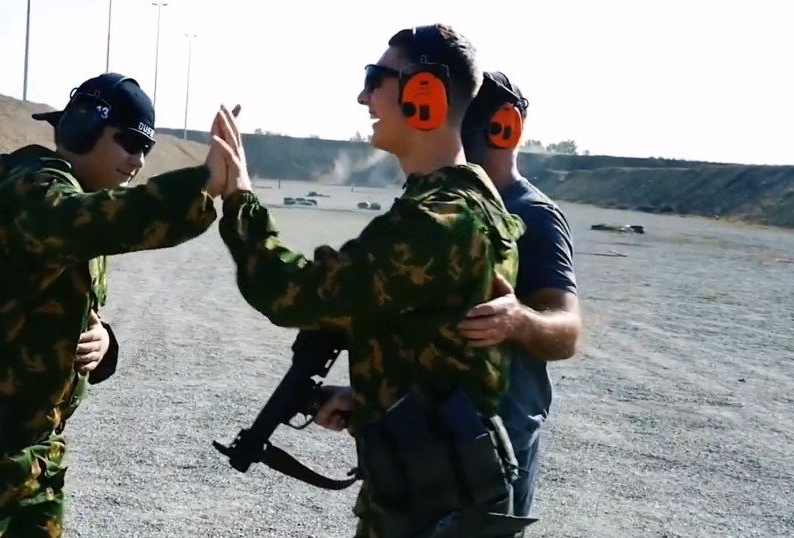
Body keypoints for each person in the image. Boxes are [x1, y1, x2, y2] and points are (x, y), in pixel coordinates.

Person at [0, 72, 235, 537]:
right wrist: (203, 184)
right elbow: (89, 224)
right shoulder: (31, 193)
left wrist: (104, 342)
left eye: (146, 150)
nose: (138, 161)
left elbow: (57, 304)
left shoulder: (76, 203)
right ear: (82, 130)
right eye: (130, 143)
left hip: (28, 463)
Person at [209, 25, 537, 538]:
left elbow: (293, 294)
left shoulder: (438, 221)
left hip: (427, 514)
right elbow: (442, 354)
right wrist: (374, 398)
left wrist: (238, 200)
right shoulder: (464, 203)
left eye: (374, 80)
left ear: (423, 92)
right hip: (428, 495)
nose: (363, 97)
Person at [457, 71, 583, 522]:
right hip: (437, 437)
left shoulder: (533, 215)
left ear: (502, 127)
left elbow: (566, 332)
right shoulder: (451, 207)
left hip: (497, 444)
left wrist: (517, 320)